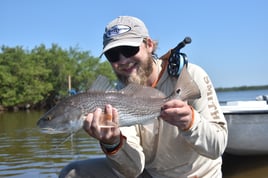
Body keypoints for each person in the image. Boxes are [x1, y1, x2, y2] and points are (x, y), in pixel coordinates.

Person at [59, 16, 228, 178]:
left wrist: (191, 122)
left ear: (149, 45)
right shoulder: (116, 99)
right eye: (113, 55)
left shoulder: (190, 75)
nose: (123, 60)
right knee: (73, 173)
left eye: (129, 49)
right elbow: (133, 170)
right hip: (151, 174)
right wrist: (112, 143)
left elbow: (217, 147)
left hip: (198, 175)